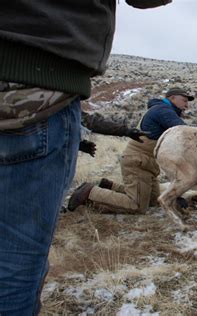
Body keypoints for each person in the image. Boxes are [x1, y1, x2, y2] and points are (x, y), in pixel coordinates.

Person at [0, 1, 172, 314]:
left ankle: (106, 184)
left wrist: (83, 139)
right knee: (15, 262)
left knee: (148, 202)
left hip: (39, 103)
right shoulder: (166, 112)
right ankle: (91, 192)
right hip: (38, 91)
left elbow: (91, 120)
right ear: (175, 98)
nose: (187, 103)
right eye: (185, 98)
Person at [67, 87, 197, 214]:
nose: (186, 106)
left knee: (153, 202)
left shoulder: (163, 110)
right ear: (172, 98)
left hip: (146, 164)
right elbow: (187, 133)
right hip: (138, 162)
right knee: (137, 206)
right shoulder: (163, 110)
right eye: (184, 101)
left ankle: (109, 186)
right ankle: (90, 192)